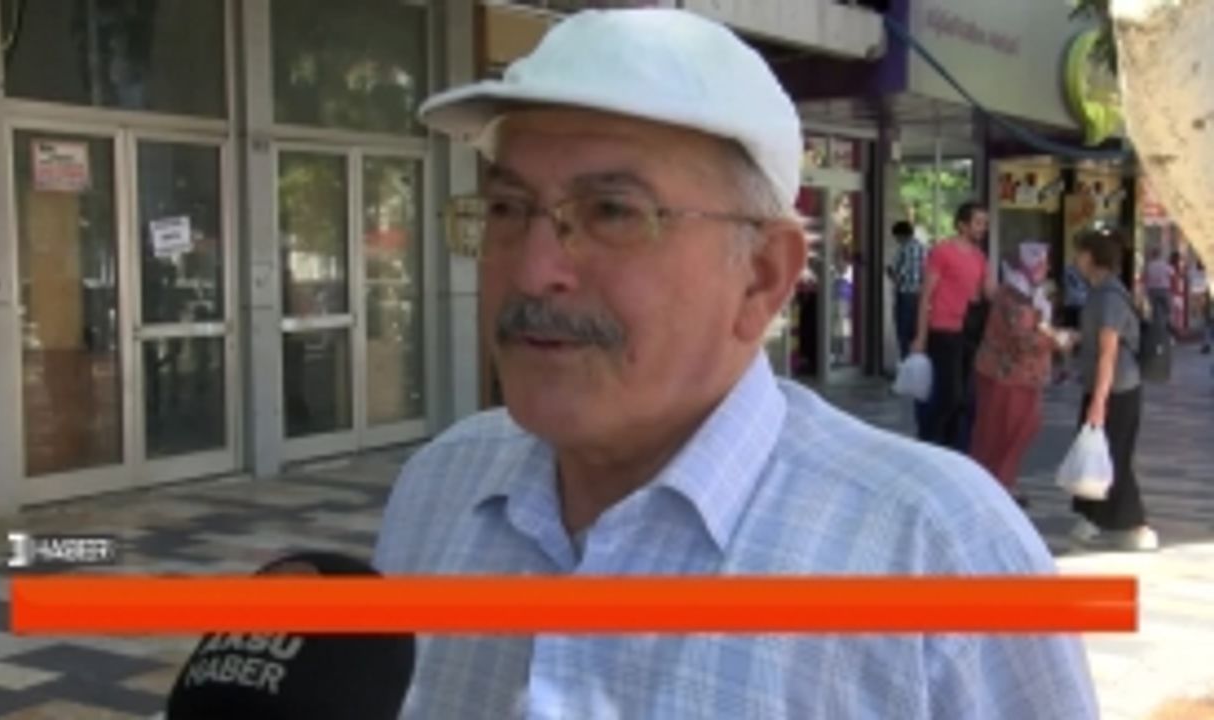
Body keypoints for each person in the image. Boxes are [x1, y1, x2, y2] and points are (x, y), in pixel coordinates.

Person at [375, 9, 1096, 719]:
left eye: (613, 213)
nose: (533, 272)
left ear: (762, 276)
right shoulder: (441, 486)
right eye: (507, 208)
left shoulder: (938, 554)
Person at [1070, 228, 1158, 551]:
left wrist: (1099, 401)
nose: (1075, 259)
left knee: (1113, 456)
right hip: (1104, 385)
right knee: (1095, 450)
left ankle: (1137, 525)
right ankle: (1092, 516)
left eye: (1080, 253)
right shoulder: (1099, 292)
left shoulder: (1109, 297)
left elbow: (1109, 351)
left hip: (1116, 389)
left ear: (1092, 257)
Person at [970, 243, 1074, 507]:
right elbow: (1024, 340)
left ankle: (997, 482)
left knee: (1010, 430)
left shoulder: (1025, 292)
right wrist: (1059, 341)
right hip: (1008, 377)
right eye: (1042, 263)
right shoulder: (1016, 298)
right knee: (1006, 432)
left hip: (1014, 375)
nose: (1047, 268)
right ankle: (997, 485)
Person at [911, 202, 995, 450]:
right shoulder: (942, 252)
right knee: (951, 394)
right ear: (962, 225)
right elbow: (926, 295)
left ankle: (952, 446)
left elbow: (989, 293)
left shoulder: (980, 257)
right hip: (944, 330)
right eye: (978, 223)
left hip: (971, 331)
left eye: (985, 223)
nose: (983, 228)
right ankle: (931, 441)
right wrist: (921, 336)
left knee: (965, 397)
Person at [887, 220, 926, 358]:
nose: (896, 240)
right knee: (916, 330)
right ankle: (917, 361)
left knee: (903, 331)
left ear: (901, 235)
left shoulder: (902, 249)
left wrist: (889, 272)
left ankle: (906, 362)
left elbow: (898, 275)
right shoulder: (923, 248)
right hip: (920, 295)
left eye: (896, 237)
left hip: (905, 294)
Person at [1144, 247, 1175, 336]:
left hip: (1152, 290)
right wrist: (1172, 288)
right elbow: (1173, 274)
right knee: (1168, 309)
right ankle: (1168, 324)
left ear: (1153, 255)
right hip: (1164, 289)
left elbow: (1145, 278)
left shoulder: (1149, 265)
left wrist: (1146, 290)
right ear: (1160, 255)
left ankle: (1155, 327)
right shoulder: (1164, 265)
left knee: (1154, 310)